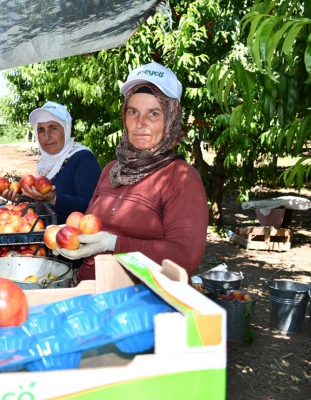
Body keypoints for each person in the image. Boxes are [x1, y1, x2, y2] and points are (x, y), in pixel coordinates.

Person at [53, 62, 209, 282]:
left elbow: (184, 258)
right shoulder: (112, 170)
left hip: (143, 305)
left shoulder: (181, 179)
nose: (140, 123)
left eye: (153, 113)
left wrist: (114, 243)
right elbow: (86, 228)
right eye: (133, 112)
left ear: (170, 119)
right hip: (92, 296)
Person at [1, 101, 101, 225]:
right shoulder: (45, 163)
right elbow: (42, 204)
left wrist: (55, 199)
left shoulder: (83, 159)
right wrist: (20, 198)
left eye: (53, 128)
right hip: (45, 237)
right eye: (41, 130)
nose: (47, 136)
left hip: (73, 240)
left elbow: (92, 206)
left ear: (66, 129)